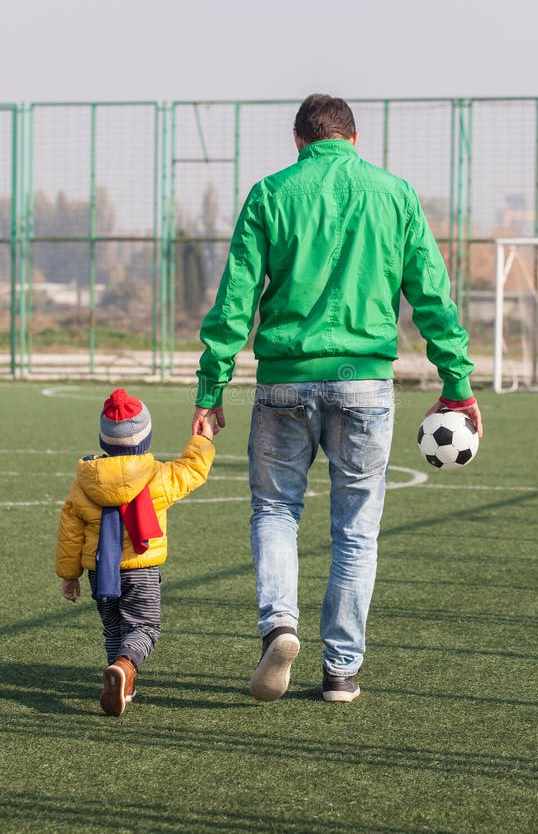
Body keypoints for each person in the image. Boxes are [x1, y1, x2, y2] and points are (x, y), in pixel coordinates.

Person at [191, 94, 482, 703]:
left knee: (275, 512)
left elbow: (235, 297)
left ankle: (279, 626)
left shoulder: (271, 193)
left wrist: (211, 385)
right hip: (364, 385)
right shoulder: (395, 194)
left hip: (283, 383)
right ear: (353, 138)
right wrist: (455, 383)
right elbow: (430, 293)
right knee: (356, 530)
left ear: (300, 142)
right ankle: (341, 672)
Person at [56, 387, 218, 716]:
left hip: (99, 571)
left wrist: (69, 576)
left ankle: (122, 685)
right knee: (144, 628)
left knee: (114, 627)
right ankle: (126, 667)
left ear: (104, 440)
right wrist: (205, 438)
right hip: (141, 571)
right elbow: (192, 470)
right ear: (145, 438)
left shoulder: (84, 482)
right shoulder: (157, 476)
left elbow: (70, 533)